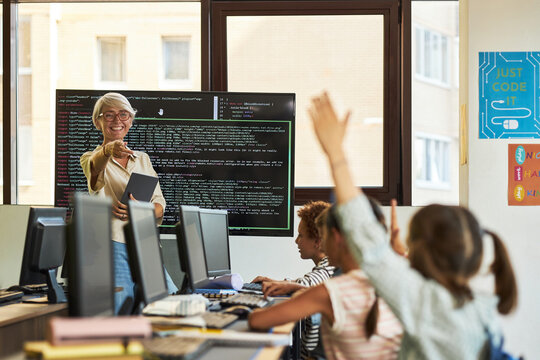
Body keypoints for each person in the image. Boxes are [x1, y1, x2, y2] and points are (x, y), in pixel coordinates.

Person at [307, 91, 518, 359]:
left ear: (421, 250)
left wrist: (336, 153)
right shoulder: (475, 305)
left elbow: (365, 237)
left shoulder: (430, 306)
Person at [249, 203, 403, 360]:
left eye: (323, 237)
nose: (321, 244)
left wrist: (243, 307)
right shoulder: (390, 283)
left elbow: (257, 320)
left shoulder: (330, 291)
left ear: (336, 237)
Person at [80, 92, 177, 314]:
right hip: (114, 244)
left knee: (166, 305)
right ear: (98, 122)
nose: (117, 120)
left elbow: (160, 203)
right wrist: (107, 150)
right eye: (109, 115)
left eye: (123, 114)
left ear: (130, 121)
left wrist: (142, 210)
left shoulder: (142, 159)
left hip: (146, 242)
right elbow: (95, 172)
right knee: (121, 309)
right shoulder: (90, 158)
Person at [251, 200, 334, 359]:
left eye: (301, 235)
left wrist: (288, 285)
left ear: (317, 241)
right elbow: (306, 283)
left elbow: (309, 284)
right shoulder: (329, 267)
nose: (297, 241)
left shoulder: (329, 269)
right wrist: (281, 283)